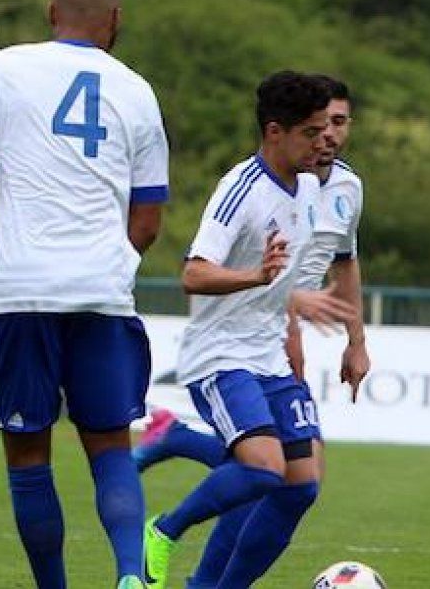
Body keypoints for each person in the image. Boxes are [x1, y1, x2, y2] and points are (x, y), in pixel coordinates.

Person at [0, 0, 169, 588]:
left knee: (27, 454)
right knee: (111, 446)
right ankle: (129, 577)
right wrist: (111, 264)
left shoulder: (0, 69)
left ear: (52, 11)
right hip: (101, 294)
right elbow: (148, 220)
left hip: (19, 289)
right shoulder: (137, 91)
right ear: (115, 20)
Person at [142, 70, 330, 589]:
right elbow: (193, 274)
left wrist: (291, 329)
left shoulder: (308, 188)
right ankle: (163, 530)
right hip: (221, 354)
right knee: (264, 468)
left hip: (269, 353)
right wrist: (255, 276)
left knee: (301, 485)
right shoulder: (241, 188)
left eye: (326, 130)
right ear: (275, 132)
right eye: (310, 133)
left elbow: (284, 284)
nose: (322, 142)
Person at [133, 73, 367, 473]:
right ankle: (177, 459)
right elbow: (210, 272)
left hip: (282, 322)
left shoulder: (345, 187)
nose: (328, 135)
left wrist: (356, 341)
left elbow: (344, 262)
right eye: (318, 127)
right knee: (282, 467)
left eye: (338, 123)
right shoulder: (261, 186)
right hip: (261, 327)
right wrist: (288, 307)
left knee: (293, 472)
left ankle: (178, 437)